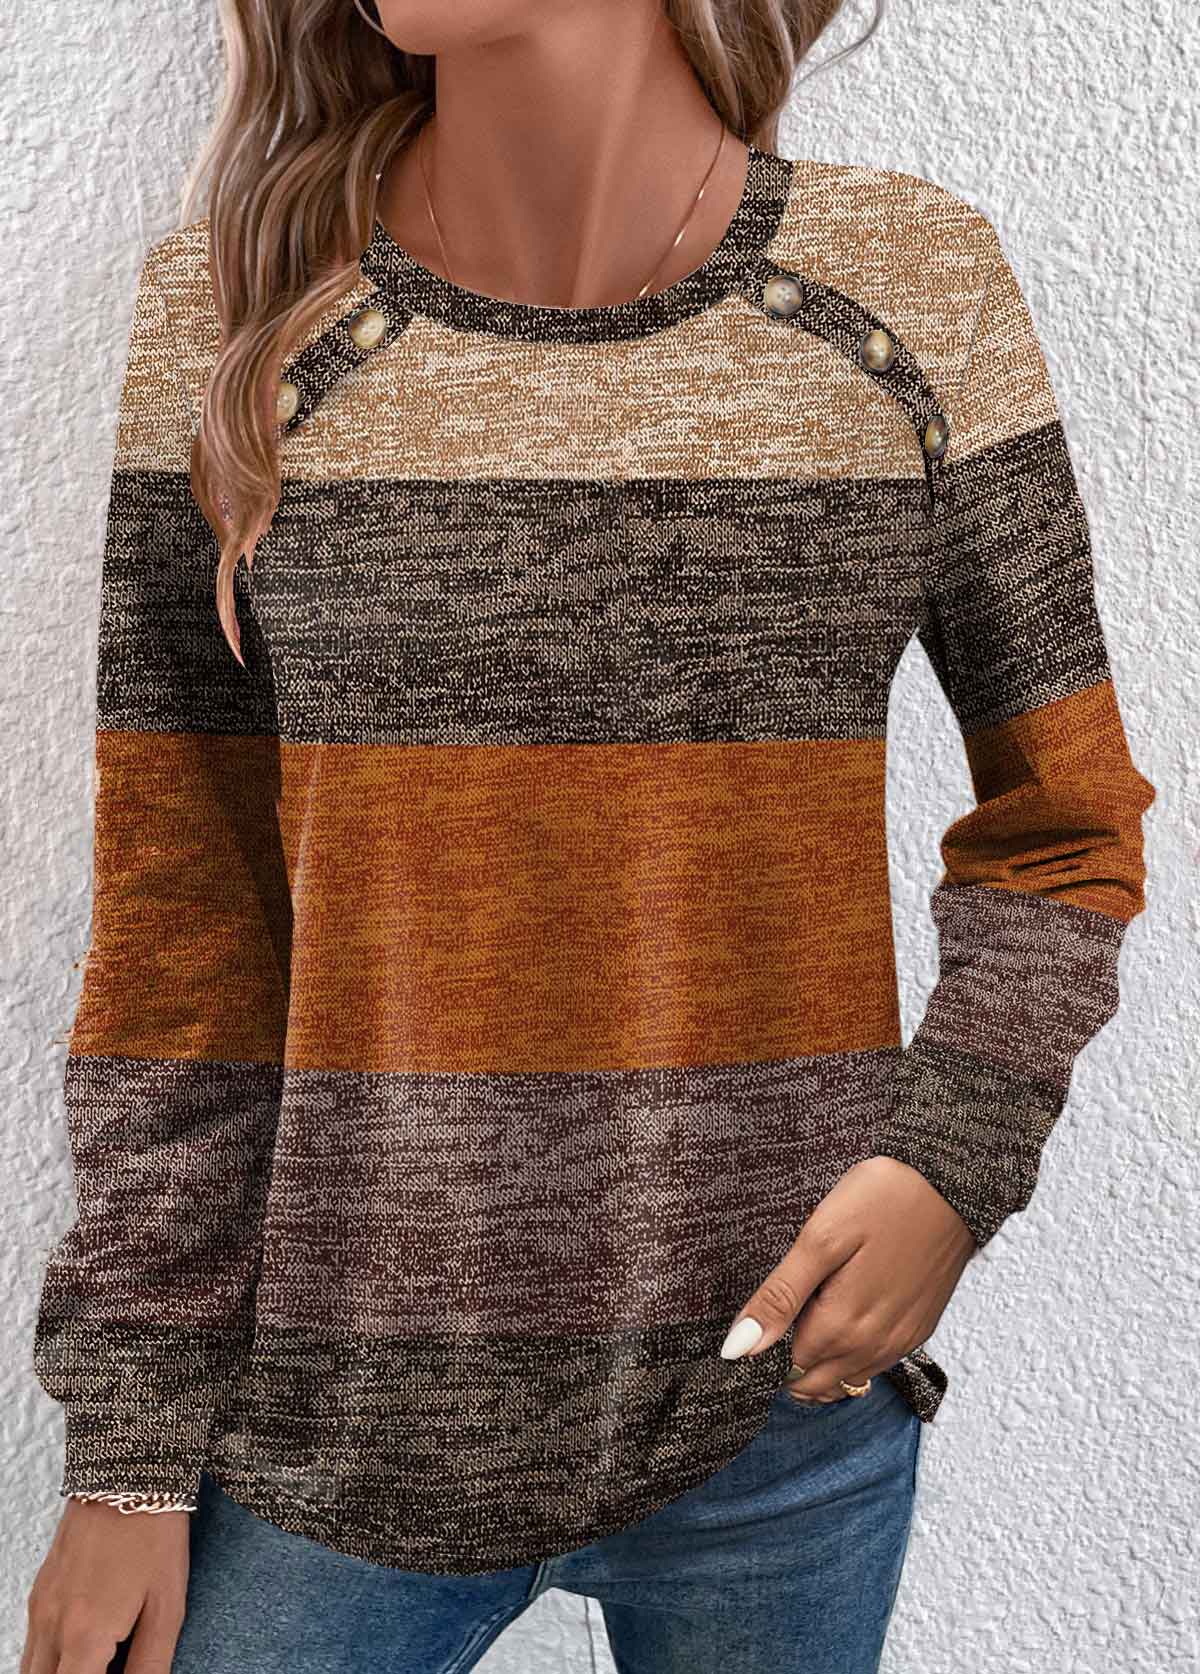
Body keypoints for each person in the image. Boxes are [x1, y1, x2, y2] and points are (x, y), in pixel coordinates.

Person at [21, 1, 1156, 1670]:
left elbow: (1062, 822)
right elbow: (182, 930)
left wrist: (951, 1161)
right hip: (339, 1424)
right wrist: (127, 1450)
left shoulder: (907, 291)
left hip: (782, 1414)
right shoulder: (241, 317)